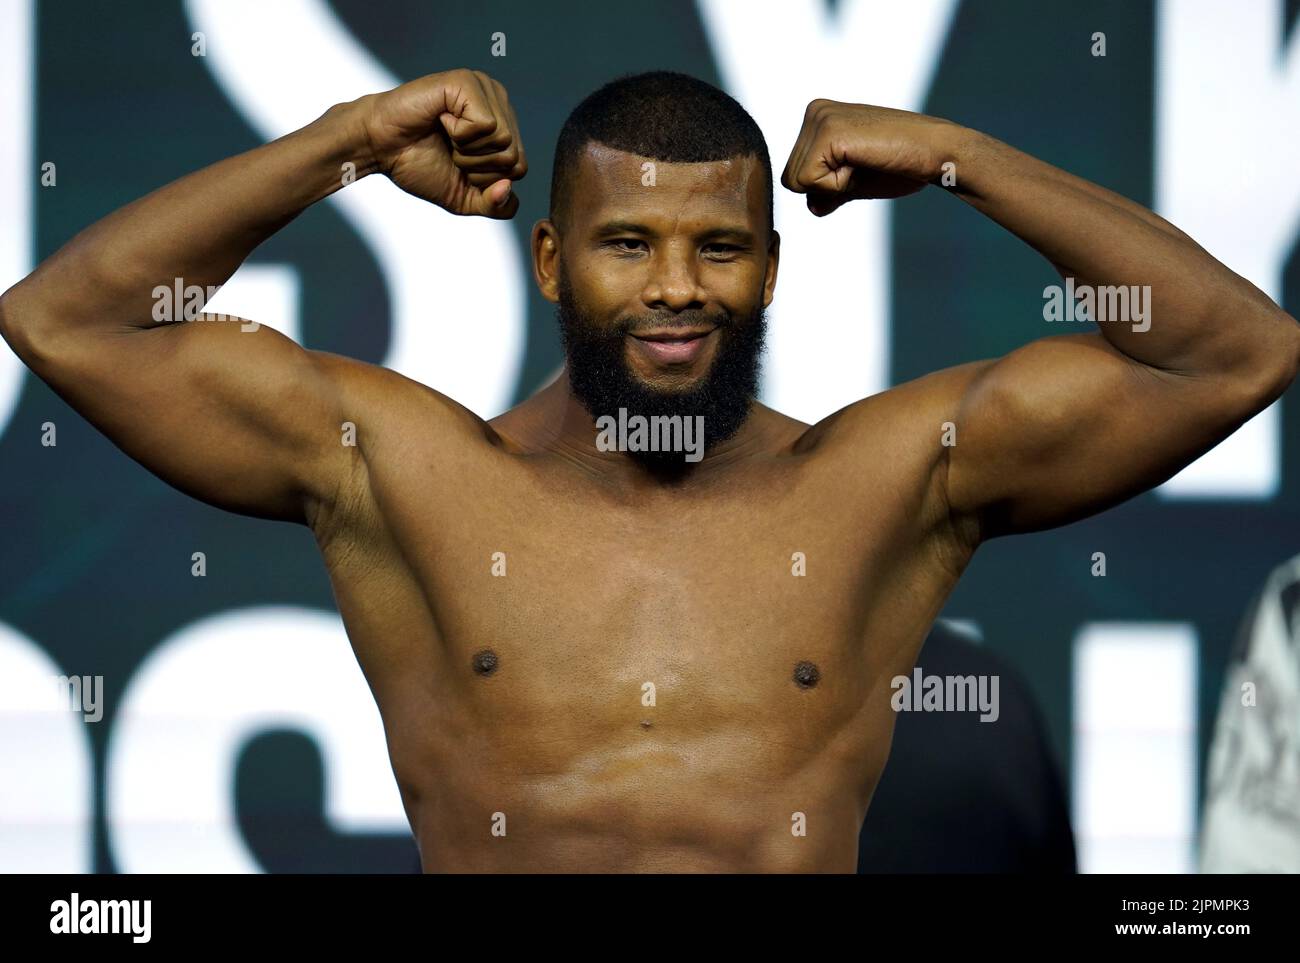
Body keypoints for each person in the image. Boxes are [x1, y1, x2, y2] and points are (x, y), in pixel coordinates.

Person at [1, 69, 1295, 872]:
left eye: (719, 248)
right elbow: (70, 322)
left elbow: (1231, 354)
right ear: (554, 263)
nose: (677, 290)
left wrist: (959, 156)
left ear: (771, 271)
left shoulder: (881, 486)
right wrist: (348, 139)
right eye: (631, 243)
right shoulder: (408, 475)